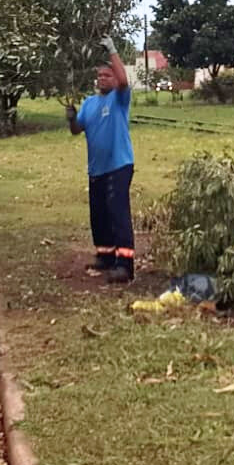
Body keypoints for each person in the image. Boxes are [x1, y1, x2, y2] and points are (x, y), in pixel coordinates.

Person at [66, 37, 135, 283]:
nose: (102, 79)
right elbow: (77, 130)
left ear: (114, 78)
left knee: (118, 213)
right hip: (97, 168)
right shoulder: (90, 103)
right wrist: (71, 119)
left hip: (119, 165)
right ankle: (105, 255)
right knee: (99, 214)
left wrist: (112, 50)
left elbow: (124, 81)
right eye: (100, 76)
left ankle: (125, 265)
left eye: (107, 75)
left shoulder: (119, 98)